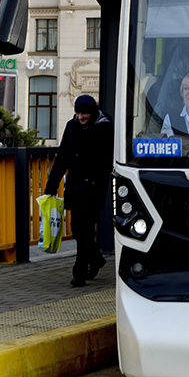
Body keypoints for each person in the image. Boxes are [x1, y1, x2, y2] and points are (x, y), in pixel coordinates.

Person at [44, 95, 113, 287]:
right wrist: (51, 185)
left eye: (84, 113)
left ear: (93, 112)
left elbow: (108, 161)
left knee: (85, 229)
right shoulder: (71, 125)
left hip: (94, 187)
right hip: (75, 186)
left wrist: (98, 179)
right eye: (78, 112)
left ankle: (79, 273)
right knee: (77, 228)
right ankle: (96, 258)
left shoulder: (106, 128)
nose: (81, 116)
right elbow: (62, 157)